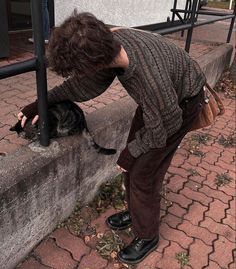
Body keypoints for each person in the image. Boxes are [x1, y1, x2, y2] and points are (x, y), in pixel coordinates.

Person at [18, 11, 206, 264]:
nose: (80, 74)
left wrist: (130, 154)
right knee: (136, 165)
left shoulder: (146, 75)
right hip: (158, 104)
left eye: (80, 70)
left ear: (96, 62)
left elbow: (166, 122)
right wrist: (39, 104)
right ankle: (137, 212)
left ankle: (147, 235)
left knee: (142, 173)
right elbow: (82, 87)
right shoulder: (108, 42)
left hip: (180, 107)